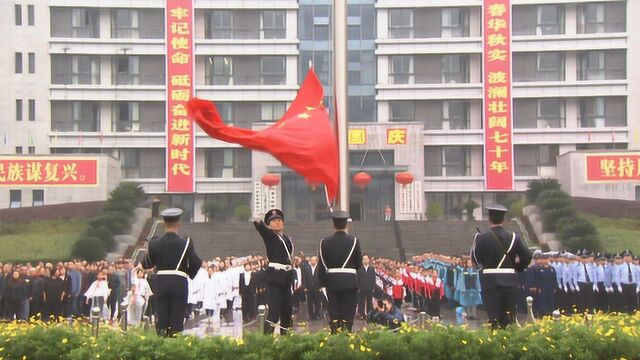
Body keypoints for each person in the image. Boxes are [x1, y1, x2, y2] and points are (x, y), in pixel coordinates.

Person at [141, 208, 203, 337]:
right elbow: (197, 262)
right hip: (179, 282)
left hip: (160, 282)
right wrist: (187, 273)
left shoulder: (154, 242)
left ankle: (162, 340)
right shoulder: (186, 242)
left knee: (162, 317)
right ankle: (175, 343)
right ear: (179, 223)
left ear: (164, 223)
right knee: (177, 318)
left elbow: (146, 264)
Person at [470, 204, 532, 329]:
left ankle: (496, 344)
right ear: (503, 219)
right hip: (510, 281)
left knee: (494, 319)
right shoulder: (514, 237)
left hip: (489, 282)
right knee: (509, 319)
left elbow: (476, 259)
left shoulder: (481, 238)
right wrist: (516, 268)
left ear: (489, 219)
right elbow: (527, 256)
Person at [318, 210, 363, 334]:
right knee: (348, 313)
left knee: (334, 312)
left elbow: (321, 264)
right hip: (350, 281)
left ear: (333, 225)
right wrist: (358, 283)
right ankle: (347, 336)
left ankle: (335, 336)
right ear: (346, 225)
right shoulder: (354, 241)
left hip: (332, 282)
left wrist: (321, 283)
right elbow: (359, 264)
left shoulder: (324, 242)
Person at [253, 208, 295, 335]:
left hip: (287, 278)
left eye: (279, 220)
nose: (278, 222)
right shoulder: (270, 236)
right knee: (274, 312)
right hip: (276, 278)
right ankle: (266, 340)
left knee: (287, 312)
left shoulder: (287, 239)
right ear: (269, 225)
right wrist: (258, 221)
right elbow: (261, 229)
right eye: (274, 221)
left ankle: (286, 339)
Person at [303, 256, 323, 321]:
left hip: (317, 288)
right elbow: (304, 278)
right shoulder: (307, 268)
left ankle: (317, 315)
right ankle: (310, 315)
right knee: (310, 302)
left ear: (316, 261)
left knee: (317, 302)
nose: (312, 261)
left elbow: (322, 278)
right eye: (311, 260)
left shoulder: (320, 268)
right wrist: (305, 287)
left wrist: (321, 286)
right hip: (309, 288)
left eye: (313, 260)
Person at [357, 254, 376, 320]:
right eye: (364, 259)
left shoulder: (372, 269)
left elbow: (373, 278)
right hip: (361, 288)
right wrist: (358, 287)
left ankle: (369, 315)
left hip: (369, 288)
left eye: (366, 259)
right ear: (362, 260)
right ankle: (361, 315)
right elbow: (357, 278)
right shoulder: (359, 269)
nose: (365, 260)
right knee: (361, 302)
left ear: (369, 260)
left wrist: (373, 287)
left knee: (369, 302)